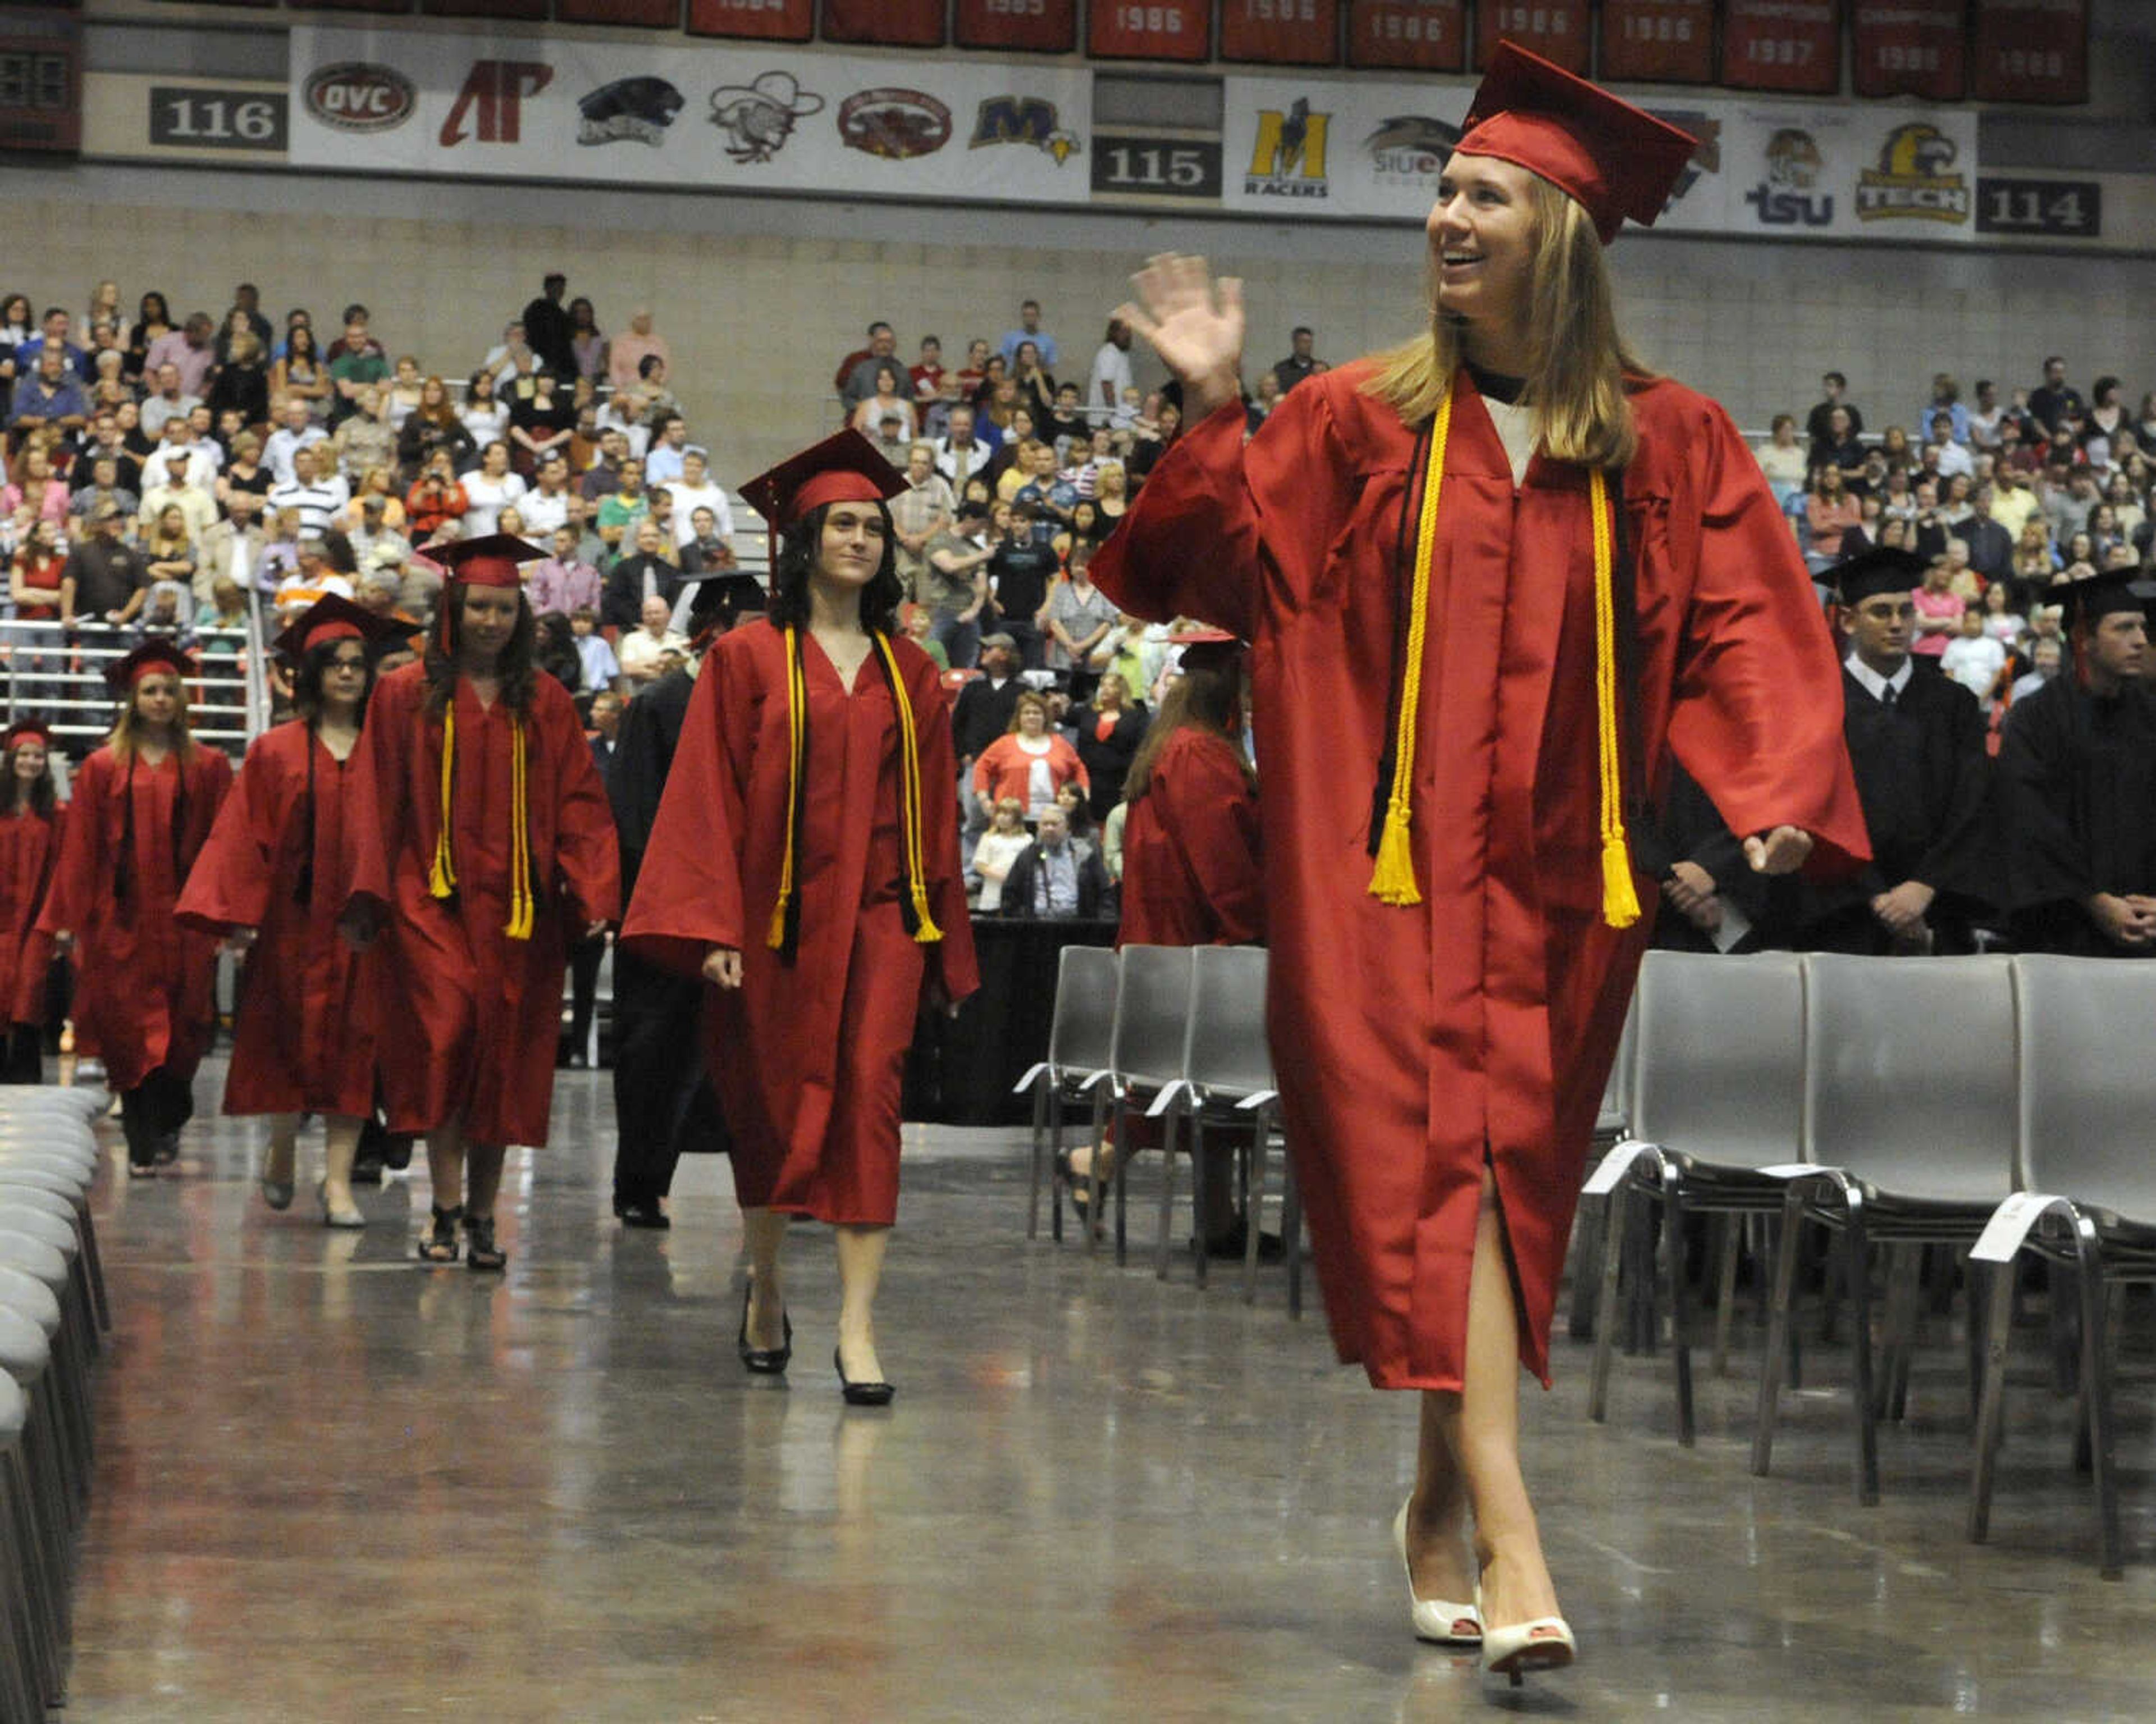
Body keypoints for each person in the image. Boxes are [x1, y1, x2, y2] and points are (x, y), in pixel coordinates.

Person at [1089, 45, 1866, 1677]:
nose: (1444, 216)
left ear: (1562, 238)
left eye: (1481, 195)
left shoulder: (1668, 441)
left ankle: (1434, 1507)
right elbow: (1197, 568)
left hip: (1560, 888)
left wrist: (1773, 782)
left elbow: (1742, 622)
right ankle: (1507, 1519)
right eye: (1441, 188)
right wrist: (1211, 404)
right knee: (1438, 1177)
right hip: (1376, 880)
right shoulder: (1352, 423)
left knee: (1507, 1183)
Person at [621, 430, 978, 1404]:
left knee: (871, 1104)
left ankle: (859, 1328)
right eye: (843, 523)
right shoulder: (746, 658)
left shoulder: (912, 672)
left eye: (873, 526)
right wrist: (711, 930)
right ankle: (768, 1286)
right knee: (771, 1107)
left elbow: (936, 811)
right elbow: (704, 798)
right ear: (806, 537)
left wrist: (938, 939)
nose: (860, 539)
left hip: (879, 926)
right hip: (773, 930)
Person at [340, 535, 620, 1269]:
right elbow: (375, 794)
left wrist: (592, 887)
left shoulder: (548, 701)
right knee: (447, 1034)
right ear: (452, 612)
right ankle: (443, 1201)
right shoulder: (404, 694)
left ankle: (485, 1215)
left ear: (521, 615)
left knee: (503, 1056)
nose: (491, 620)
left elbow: (581, 802)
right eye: (478, 607)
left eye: (503, 607)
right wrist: (370, 891)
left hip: (520, 908)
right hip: (429, 896)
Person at [175, 597, 403, 1226]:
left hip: (361, 929)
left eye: (359, 664)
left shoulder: (387, 752)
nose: (349, 674)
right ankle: (280, 1146)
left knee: (357, 1047)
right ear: (312, 673)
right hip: (290, 928)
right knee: (286, 1044)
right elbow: (243, 835)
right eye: (335, 664)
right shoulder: (276, 750)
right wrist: (240, 914)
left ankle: (336, 1184)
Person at [604, 569, 766, 1229]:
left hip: (749, 910)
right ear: (713, 634)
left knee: (754, 1055)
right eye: (747, 632)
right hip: (669, 911)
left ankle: (765, 1181)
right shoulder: (663, 703)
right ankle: (641, 1183)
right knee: (656, 1050)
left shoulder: (770, 705)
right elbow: (632, 814)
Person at [39, 640, 235, 1174]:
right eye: (150, 690)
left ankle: (169, 1109)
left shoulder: (209, 766)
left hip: (186, 918)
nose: (160, 699)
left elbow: (225, 842)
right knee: (127, 1025)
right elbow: (80, 846)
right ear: (133, 699)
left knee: (185, 1023)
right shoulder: (104, 767)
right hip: (120, 920)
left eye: (170, 690)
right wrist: (67, 921)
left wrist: (228, 915)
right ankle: (142, 1130)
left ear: (182, 699)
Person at [1789, 548, 1995, 955]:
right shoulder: (1819, 704)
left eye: (1906, 611)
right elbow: (1814, 807)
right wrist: (1878, 897)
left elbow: (1973, 802)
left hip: (1938, 909)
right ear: (1848, 620)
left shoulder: (1953, 703)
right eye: (1881, 612)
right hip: (1842, 914)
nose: (1898, 624)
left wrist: (1924, 887)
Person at [1998, 565, 2156, 956]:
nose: (2140, 640)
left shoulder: (2151, 715)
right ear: (2083, 638)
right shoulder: (2036, 718)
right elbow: (2030, 820)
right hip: (2062, 925)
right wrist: (2094, 899)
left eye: (2141, 627)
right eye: (2123, 628)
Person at [0, 722, 63, 1083]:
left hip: (37, 920)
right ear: (11, 760)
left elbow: (61, 869)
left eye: (38, 756)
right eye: (24, 755)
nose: (31, 761)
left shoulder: (56, 814)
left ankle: (25, 1077)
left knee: (28, 993)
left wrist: (61, 922)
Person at [971, 690, 1088, 823]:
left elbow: (1079, 768)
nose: (1032, 716)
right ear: (1019, 717)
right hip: (1011, 820)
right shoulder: (1005, 743)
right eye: (1027, 713)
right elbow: (981, 767)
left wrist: (1083, 795)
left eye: (1037, 713)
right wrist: (984, 799)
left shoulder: (1060, 743)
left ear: (1045, 717)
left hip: (1052, 821)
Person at [999, 802, 1112, 920]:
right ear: (1038, 826)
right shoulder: (1028, 856)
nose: (1049, 829)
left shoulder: (1085, 854)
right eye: (1045, 824)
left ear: (1067, 826)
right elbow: (1010, 894)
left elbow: (1105, 892)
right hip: (1037, 927)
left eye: (1054, 824)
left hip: (1078, 926)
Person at [1068, 668, 1148, 820]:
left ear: (1122, 690)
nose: (1105, 689)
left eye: (1111, 685)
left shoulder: (1135, 717)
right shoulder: (1087, 712)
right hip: (1088, 779)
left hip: (1119, 781)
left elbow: (1139, 749)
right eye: (1102, 685)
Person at [970, 797, 1031, 912]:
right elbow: (980, 864)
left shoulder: (1027, 839)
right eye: (999, 813)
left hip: (1017, 894)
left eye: (1007, 814)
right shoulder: (988, 838)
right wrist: (1004, 877)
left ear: (1017, 818)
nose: (1002, 817)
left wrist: (1015, 879)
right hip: (993, 893)